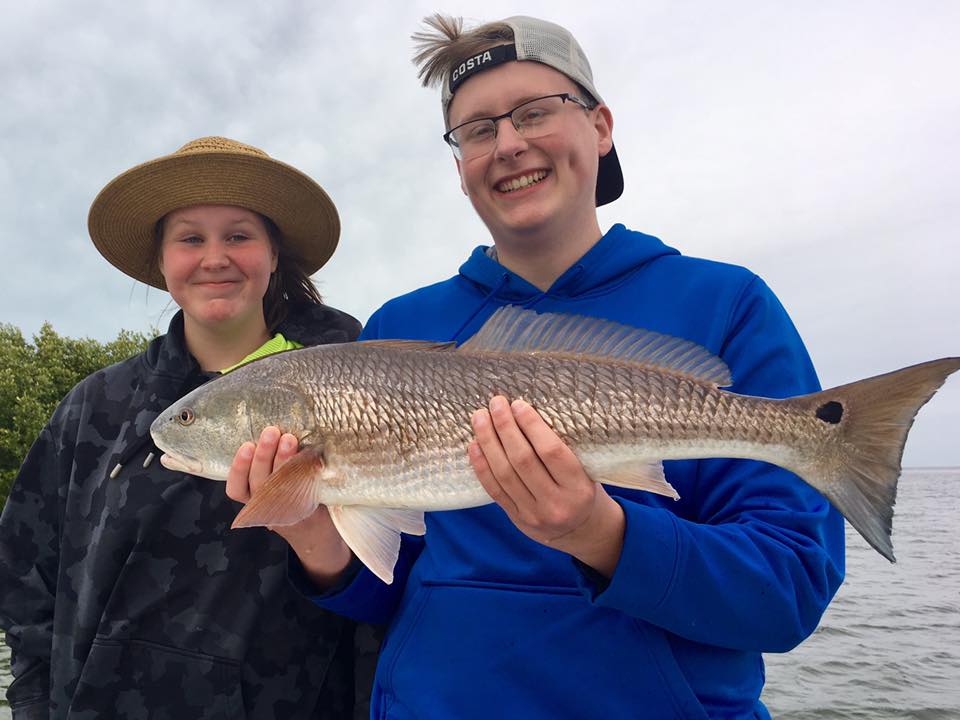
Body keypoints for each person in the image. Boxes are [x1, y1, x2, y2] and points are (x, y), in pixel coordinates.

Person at [228, 16, 846, 719]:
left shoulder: (725, 304)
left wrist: (601, 532)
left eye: (534, 112)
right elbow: (395, 595)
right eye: (477, 130)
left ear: (600, 126)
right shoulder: (399, 329)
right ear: (459, 164)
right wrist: (315, 535)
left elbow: (790, 592)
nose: (508, 144)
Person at [0, 137, 376, 719]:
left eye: (239, 236)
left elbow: (396, 590)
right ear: (161, 260)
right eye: (191, 238)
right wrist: (33, 706)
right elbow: (24, 574)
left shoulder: (362, 383)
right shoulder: (92, 407)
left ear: (274, 254)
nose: (215, 257)